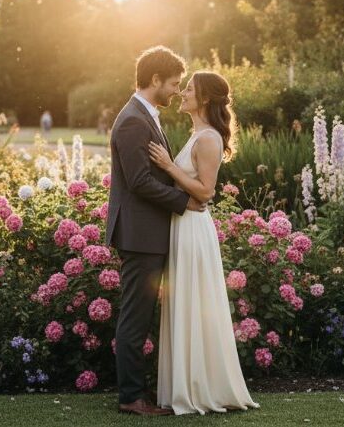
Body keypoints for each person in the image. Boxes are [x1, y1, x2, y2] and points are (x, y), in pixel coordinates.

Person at [105, 46, 207, 417]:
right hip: (140, 235)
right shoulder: (134, 119)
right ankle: (131, 398)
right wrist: (184, 201)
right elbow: (140, 182)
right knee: (135, 316)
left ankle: (138, 390)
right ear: (154, 81)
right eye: (174, 85)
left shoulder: (145, 115)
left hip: (147, 232)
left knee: (141, 315)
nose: (177, 92)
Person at [150, 71, 259, 415]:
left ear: (206, 99)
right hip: (182, 226)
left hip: (194, 230)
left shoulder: (209, 138)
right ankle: (184, 386)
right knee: (184, 303)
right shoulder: (196, 134)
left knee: (193, 302)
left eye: (190, 90)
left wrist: (169, 166)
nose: (182, 93)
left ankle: (198, 389)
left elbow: (206, 192)